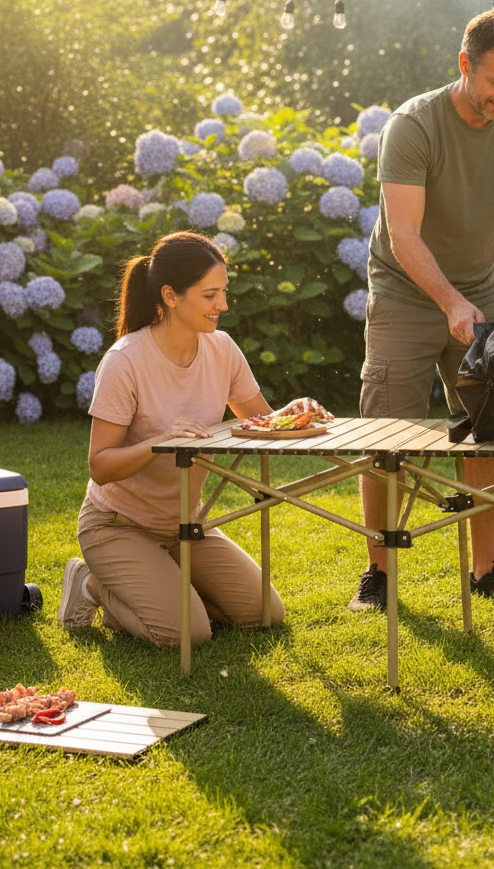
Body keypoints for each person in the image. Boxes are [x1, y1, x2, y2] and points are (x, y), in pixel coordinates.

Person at [349, 7, 494, 613]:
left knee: (489, 429)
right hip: (404, 292)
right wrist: (449, 302)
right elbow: (404, 234)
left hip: (480, 291)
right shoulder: (413, 125)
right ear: (464, 65)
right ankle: (379, 572)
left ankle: (486, 569)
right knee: (386, 434)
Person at [58, 230, 329, 645]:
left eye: (224, 292)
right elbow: (101, 465)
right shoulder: (124, 361)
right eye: (209, 295)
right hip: (118, 525)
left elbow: (258, 420)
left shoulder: (222, 349)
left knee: (264, 614)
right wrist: (160, 442)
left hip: (186, 523)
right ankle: (90, 584)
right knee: (187, 634)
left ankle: (169, 590)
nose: (223, 305)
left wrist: (290, 414)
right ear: (170, 296)